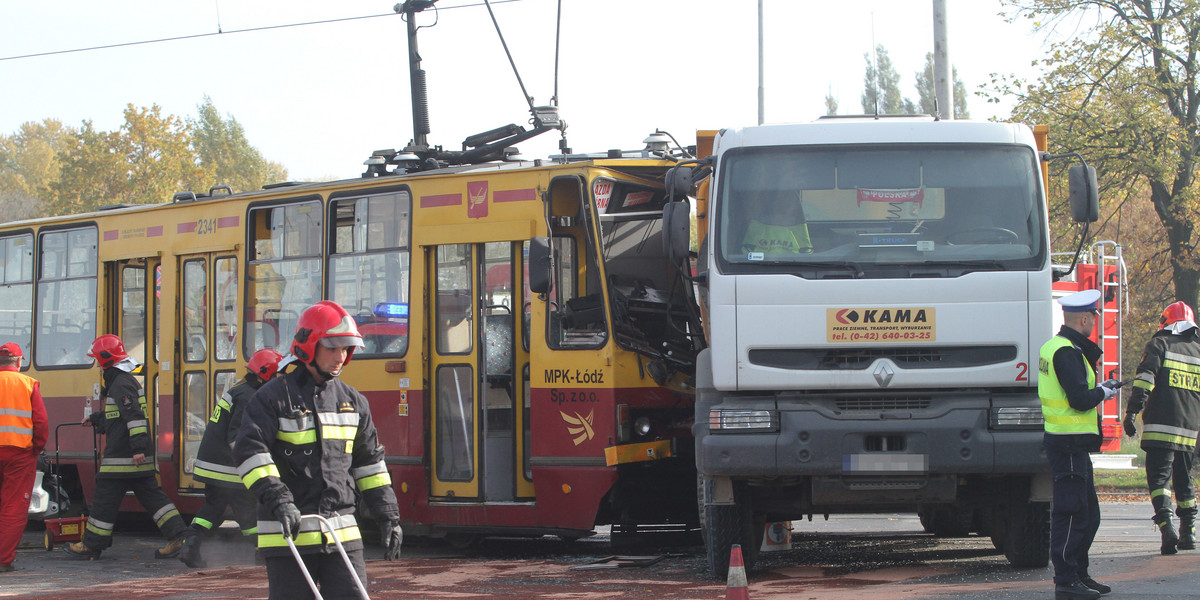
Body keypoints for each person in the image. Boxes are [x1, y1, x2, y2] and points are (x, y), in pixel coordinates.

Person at [235, 301, 402, 599]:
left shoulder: (353, 402)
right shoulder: (271, 398)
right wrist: (280, 501)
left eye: (346, 349)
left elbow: (370, 466)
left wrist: (388, 516)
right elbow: (250, 454)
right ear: (309, 346)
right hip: (288, 536)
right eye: (333, 347)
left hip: (342, 537)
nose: (341, 356)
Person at [64, 335, 188, 560]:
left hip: (124, 457)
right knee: (154, 499)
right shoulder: (123, 382)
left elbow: (135, 417)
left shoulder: (121, 384)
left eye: (98, 361)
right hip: (131, 455)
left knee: (104, 499)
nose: (98, 367)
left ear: (105, 360)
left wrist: (138, 448)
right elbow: (117, 417)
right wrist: (97, 419)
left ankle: (91, 545)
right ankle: (179, 537)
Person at [1038, 289, 1117, 600]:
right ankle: (1066, 580)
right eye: (1094, 318)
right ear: (1085, 319)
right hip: (1068, 443)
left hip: (1071, 444)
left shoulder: (1054, 346)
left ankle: (1078, 574)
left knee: (1088, 514)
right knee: (1072, 513)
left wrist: (1099, 388)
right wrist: (1104, 392)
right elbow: (1079, 400)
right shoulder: (1067, 351)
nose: (1095, 322)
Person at [178, 348, 285, 568]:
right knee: (248, 510)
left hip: (212, 463)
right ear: (265, 374)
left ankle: (191, 545)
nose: (277, 381)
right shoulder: (249, 397)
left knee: (213, 507)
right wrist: (251, 462)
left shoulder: (240, 390)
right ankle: (262, 552)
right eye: (276, 376)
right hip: (229, 467)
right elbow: (236, 437)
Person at [1122, 301, 1200, 555]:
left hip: (1159, 428)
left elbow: (1145, 378)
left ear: (1166, 323)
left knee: (1159, 479)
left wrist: (1132, 411)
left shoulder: (1159, 344)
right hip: (1190, 430)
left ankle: (1167, 528)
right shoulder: (1198, 350)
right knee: (1185, 478)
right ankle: (1188, 533)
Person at [0, 343, 47, 573]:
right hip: (19, 454)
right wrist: (36, 448)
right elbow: (40, 422)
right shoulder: (27, 384)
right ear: (19, 362)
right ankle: (2, 559)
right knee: (13, 507)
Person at [740, 192, 813, 256]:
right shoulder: (758, 226)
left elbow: (806, 253)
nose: (779, 215)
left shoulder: (798, 228)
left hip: (792, 267)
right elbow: (747, 252)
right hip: (761, 268)